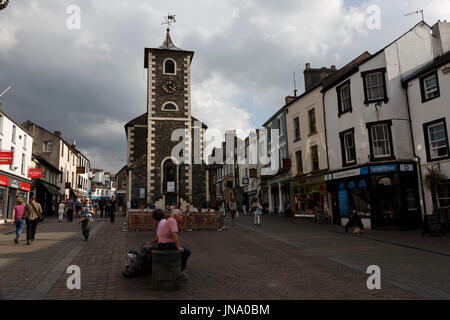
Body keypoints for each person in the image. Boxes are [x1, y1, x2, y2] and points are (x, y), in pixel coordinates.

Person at [158, 209, 191, 278]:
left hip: (163, 243)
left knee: (184, 250)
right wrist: (178, 247)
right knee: (187, 252)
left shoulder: (170, 220)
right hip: (165, 244)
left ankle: (180, 268)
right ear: (175, 216)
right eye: (180, 215)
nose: (182, 216)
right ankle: (181, 270)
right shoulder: (173, 221)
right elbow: (174, 234)